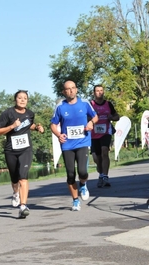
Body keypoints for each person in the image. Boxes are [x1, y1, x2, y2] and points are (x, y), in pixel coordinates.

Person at [0, 90, 44, 219]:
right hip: (11, 150)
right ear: (15, 100)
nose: (22, 100)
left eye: (25, 98)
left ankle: (23, 206)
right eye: (20, 98)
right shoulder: (8, 113)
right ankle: (15, 192)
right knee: (15, 179)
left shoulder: (30, 114)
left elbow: (28, 125)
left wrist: (37, 127)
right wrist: (12, 126)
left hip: (25, 149)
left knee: (23, 177)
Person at [50, 80, 98, 211]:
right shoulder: (60, 106)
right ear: (64, 92)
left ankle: (83, 184)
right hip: (67, 145)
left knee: (82, 171)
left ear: (76, 89)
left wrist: (91, 123)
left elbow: (95, 117)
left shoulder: (85, 103)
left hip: (82, 142)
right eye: (68, 89)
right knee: (70, 174)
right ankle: (75, 200)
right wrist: (58, 135)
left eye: (73, 88)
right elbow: (53, 124)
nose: (71, 91)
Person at [90, 84, 119, 188]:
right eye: (97, 91)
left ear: (103, 92)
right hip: (93, 134)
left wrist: (111, 117)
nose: (99, 92)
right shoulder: (90, 104)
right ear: (94, 93)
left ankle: (105, 176)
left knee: (104, 152)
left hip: (106, 132)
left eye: (101, 90)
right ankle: (101, 174)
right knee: (96, 159)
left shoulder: (108, 104)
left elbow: (117, 116)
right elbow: (85, 117)